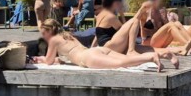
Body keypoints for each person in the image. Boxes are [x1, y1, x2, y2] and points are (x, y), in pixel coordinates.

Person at [33, 19, 167, 71]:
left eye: (44, 33)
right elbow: (68, 55)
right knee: (123, 59)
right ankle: (165, 54)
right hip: (97, 50)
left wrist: (41, 59)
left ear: (49, 31)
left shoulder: (53, 40)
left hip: (88, 57)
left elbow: (49, 61)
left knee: (122, 63)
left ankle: (151, 57)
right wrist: (59, 60)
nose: (44, 36)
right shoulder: (67, 35)